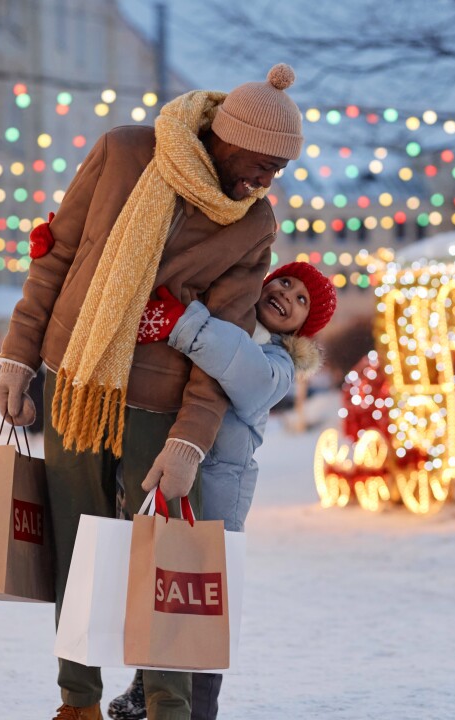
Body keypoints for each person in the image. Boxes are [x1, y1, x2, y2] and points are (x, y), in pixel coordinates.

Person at [0, 64, 304, 720]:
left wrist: (191, 441)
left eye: (278, 169)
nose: (266, 180)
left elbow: (223, 343)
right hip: (71, 381)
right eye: (260, 162)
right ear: (226, 136)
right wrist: (17, 359)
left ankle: (167, 708)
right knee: (78, 545)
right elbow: (55, 257)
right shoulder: (125, 152)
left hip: (158, 408)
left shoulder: (253, 225)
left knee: (160, 558)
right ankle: (76, 700)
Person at [107, 261, 336, 720]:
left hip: (215, 496)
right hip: (174, 478)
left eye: (301, 301)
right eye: (285, 283)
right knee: (162, 587)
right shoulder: (231, 322)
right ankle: (144, 688)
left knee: (201, 604)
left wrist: (182, 321)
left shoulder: (279, 364)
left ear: (302, 329)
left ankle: (199, 708)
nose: (287, 296)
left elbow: (245, 371)